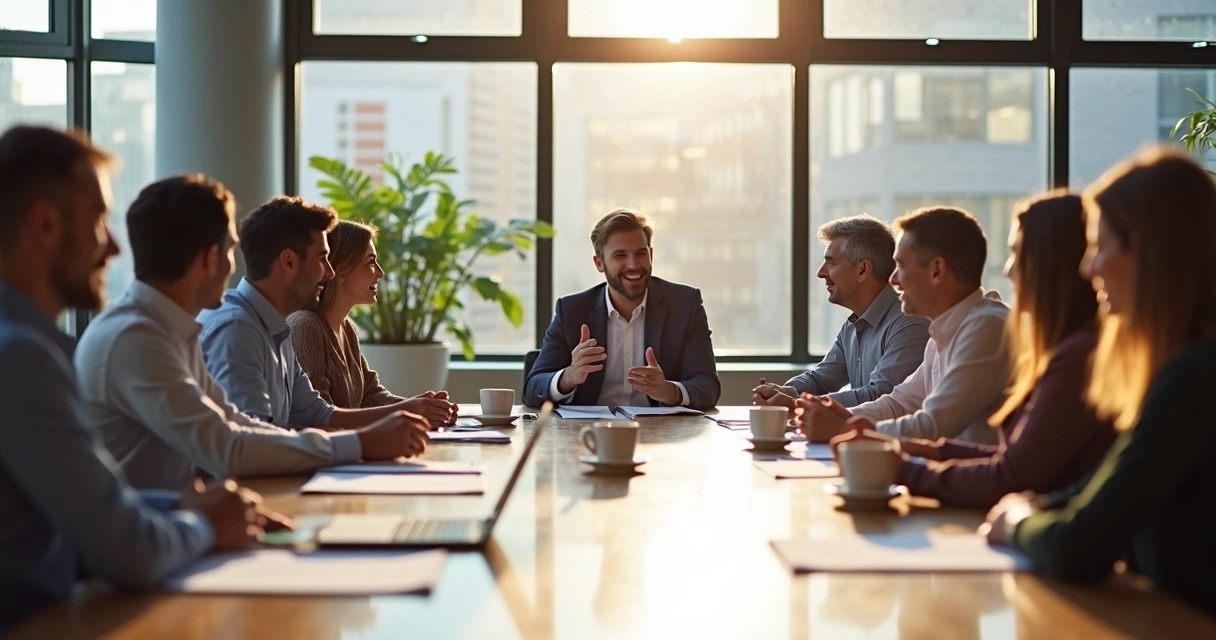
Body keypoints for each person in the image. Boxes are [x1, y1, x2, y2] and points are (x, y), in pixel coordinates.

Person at [0, 126, 268, 633]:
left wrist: (182, 504)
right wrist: (206, 524)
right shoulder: (22, 359)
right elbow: (129, 552)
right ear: (45, 225)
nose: (114, 249)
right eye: (99, 220)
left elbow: (78, 506)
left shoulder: (26, 346)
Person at [75, 176, 430, 491]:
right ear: (208, 259)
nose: (235, 265)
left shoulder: (170, 331)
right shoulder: (138, 337)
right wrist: (361, 444)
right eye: (230, 250)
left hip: (177, 529)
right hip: (152, 546)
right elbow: (228, 448)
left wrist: (361, 440)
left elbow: (237, 423)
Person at [983, 148, 1216, 617]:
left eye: (1101, 245)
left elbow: (1080, 548)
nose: (1088, 268)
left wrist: (1018, 520)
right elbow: (1106, 486)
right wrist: (1041, 504)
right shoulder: (1183, 366)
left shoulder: (1195, 376)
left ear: (1150, 250)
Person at [837, 193, 1116, 508]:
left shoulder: (1066, 354)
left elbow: (1010, 473)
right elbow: (1009, 458)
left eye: (1015, 253)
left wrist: (899, 465)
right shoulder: (945, 332)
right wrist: (928, 452)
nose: (1008, 270)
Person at [199, 196, 456, 433]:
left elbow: (317, 413)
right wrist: (364, 442)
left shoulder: (275, 328)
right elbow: (253, 437)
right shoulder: (238, 330)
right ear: (288, 262)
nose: (330, 272)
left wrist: (411, 411)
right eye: (323, 258)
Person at [796, 206, 1011, 445]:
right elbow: (896, 404)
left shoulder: (986, 327)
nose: (893, 279)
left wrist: (845, 428)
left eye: (901, 266)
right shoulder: (944, 333)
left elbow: (934, 425)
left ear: (936, 271)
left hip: (979, 481)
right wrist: (837, 418)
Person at [524, 207, 720, 411]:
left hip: (661, 434)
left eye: (640, 253)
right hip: (590, 435)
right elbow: (532, 388)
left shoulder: (685, 304)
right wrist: (568, 377)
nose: (633, 264)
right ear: (599, 263)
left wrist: (669, 391)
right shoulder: (572, 310)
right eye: (620, 256)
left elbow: (707, 386)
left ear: (651, 255)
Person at [753, 214, 928, 409]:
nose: (821, 272)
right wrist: (786, 391)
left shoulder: (909, 323)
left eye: (831, 262)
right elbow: (820, 380)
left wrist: (799, 403)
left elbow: (881, 396)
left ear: (862, 270)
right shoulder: (853, 324)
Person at [287, 220, 452, 410]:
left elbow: (370, 395)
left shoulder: (346, 328)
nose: (380, 273)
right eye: (371, 262)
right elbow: (319, 416)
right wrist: (410, 410)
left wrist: (421, 406)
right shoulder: (304, 327)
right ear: (341, 269)